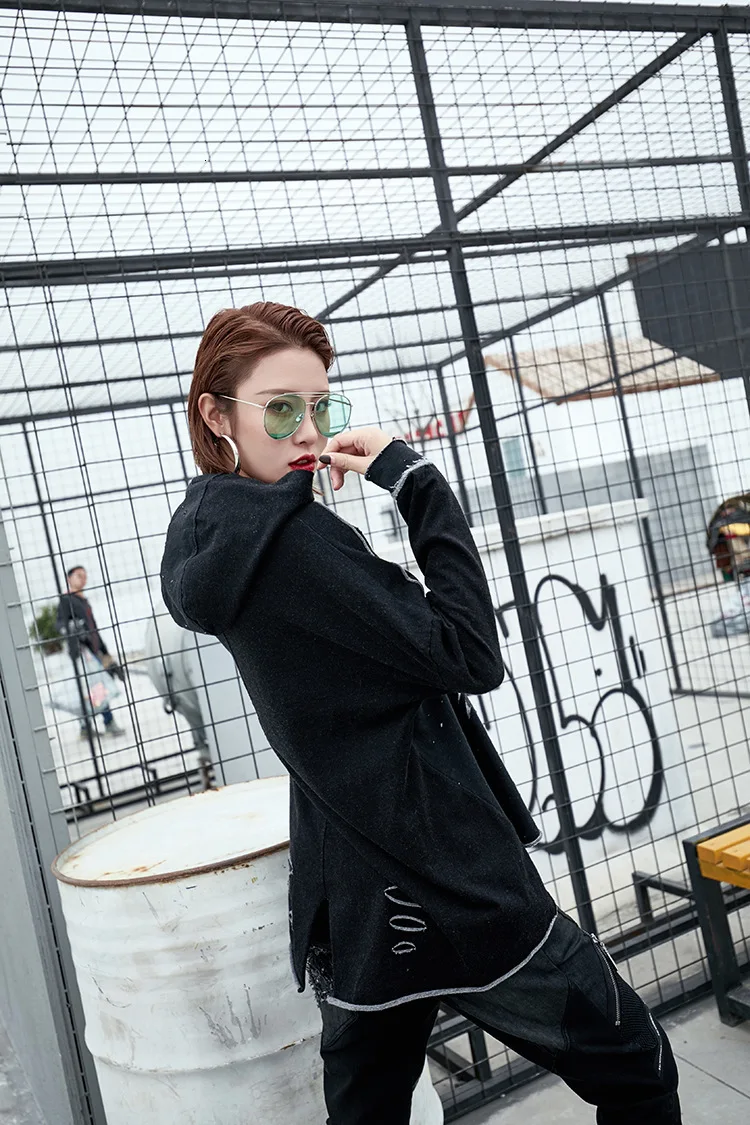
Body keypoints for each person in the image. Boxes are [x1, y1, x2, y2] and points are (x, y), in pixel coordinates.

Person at [160, 302, 681, 1125]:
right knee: (639, 1066)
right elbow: (470, 651)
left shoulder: (218, 541)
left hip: (358, 897)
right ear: (217, 415)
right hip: (449, 878)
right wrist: (416, 481)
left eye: (322, 406)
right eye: (282, 408)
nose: (308, 431)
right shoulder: (292, 541)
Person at [56, 565, 126, 737]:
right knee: (93, 688)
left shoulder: (83, 600)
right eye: (78, 575)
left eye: (85, 576)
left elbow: (93, 628)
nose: (83, 578)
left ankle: (88, 727)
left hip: (92, 652)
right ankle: (104, 723)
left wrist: (105, 652)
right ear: (69, 579)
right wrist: (71, 627)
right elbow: (59, 624)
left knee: (95, 688)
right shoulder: (66, 600)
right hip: (81, 653)